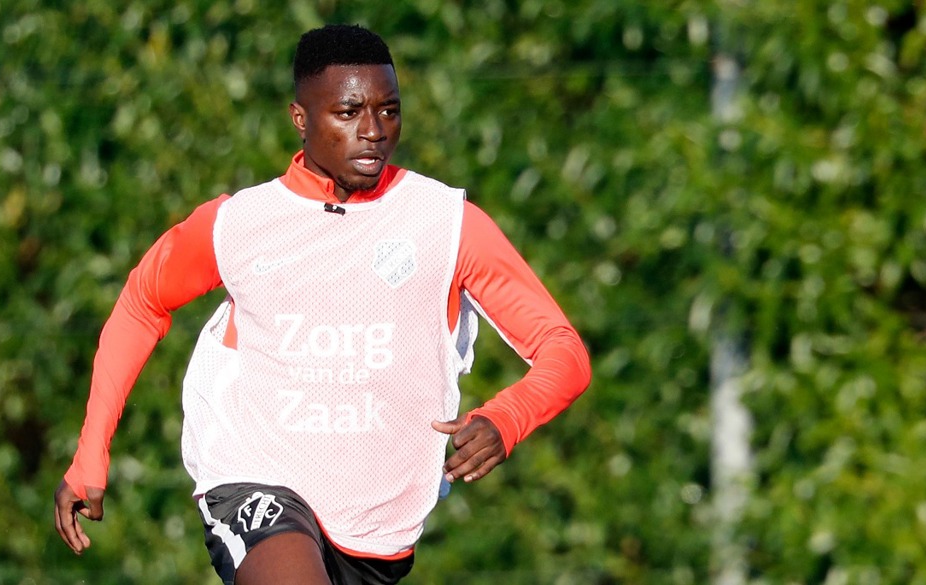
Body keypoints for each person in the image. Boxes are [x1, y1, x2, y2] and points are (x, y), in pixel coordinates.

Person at [52, 23, 591, 584]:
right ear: (301, 118)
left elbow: (564, 351)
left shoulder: (447, 224)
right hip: (255, 484)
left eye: (389, 111)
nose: (373, 131)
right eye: (348, 112)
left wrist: (507, 417)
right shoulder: (239, 223)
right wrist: (91, 453)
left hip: (378, 533)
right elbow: (142, 303)